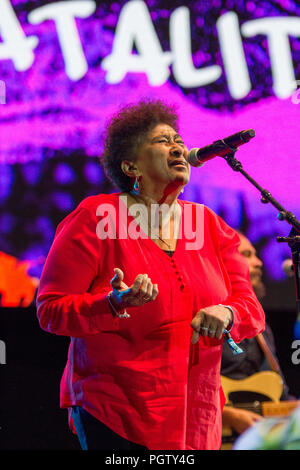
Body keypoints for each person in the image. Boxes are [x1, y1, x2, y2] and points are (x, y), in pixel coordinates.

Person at [36, 100, 265, 450]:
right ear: (130, 166)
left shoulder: (210, 226)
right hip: (117, 408)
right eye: (162, 141)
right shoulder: (96, 217)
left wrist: (227, 312)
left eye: (178, 139)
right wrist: (111, 303)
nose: (178, 146)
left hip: (197, 413)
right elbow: (51, 310)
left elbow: (249, 306)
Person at [221, 233, 295, 439]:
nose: (259, 262)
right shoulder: (208, 319)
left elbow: (280, 392)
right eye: (247, 254)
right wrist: (230, 416)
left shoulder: (261, 327)